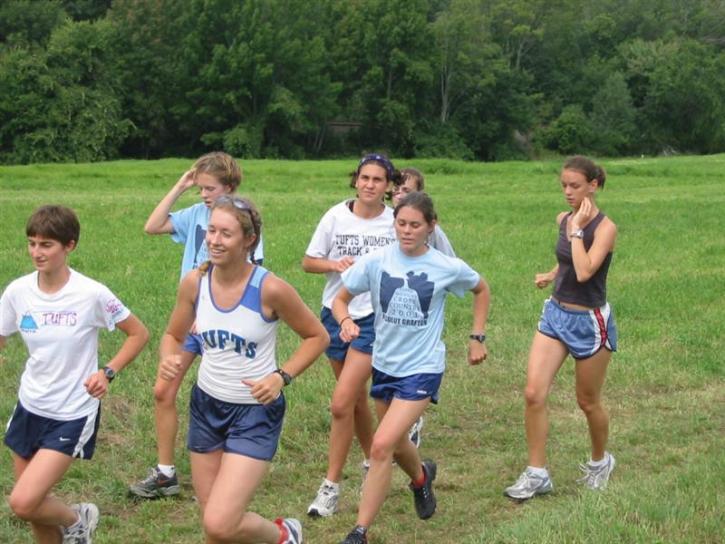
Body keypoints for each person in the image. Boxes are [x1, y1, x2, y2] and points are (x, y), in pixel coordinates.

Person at [158, 196, 328, 544]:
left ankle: (283, 535)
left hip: (254, 413)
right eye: (211, 231)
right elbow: (173, 334)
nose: (214, 240)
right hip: (206, 405)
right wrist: (167, 357)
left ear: (248, 240)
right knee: (215, 529)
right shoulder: (195, 282)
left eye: (226, 234)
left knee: (221, 523)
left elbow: (317, 336)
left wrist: (281, 377)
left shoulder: (270, 288)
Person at [333, 192, 490, 544]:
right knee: (398, 440)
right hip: (385, 364)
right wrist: (345, 321)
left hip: (423, 367)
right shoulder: (377, 261)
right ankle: (421, 478)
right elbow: (340, 298)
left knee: (380, 445)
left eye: (415, 225)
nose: (406, 231)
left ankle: (360, 532)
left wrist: (477, 336)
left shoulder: (445, 266)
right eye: (401, 224)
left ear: (430, 227)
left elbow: (481, 289)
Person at [1, 205, 149, 543]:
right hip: (29, 406)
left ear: (70, 246)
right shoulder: (18, 292)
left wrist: (108, 372)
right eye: (32, 243)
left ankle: (76, 518)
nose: (37, 252)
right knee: (36, 512)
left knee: (24, 502)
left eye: (46, 245)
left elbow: (138, 333)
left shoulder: (91, 293)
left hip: (71, 412)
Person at [130, 152, 263, 499]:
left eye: (210, 188)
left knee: (227, 396)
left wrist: (209, 318)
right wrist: (179, 186)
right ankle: (165, 472)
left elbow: (249, 281)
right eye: (199, 187)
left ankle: (235, 461)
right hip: (190, 324)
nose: (203, 194)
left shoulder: (244, 226)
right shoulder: (194, 216)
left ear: (230, 187)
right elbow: (152, 225)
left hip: (225, 328)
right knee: (163, 390)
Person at [504, 155, 618, 501]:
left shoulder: (604, 227)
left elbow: (585, 271)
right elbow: (568, 260)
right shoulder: (564, 219)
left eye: (575, 185)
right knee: (533, 393)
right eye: (564, 185)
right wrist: (553, 273)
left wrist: (578, 230)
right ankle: (537, 473)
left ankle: (600, 461)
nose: (568, 192)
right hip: (555, 315)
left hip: (589, 322)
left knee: (587, 401)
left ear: (593, 185)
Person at [303, 154, 399, 517]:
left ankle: (330, 487)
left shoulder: (395, 222)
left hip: (373, 319)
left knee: (341, 402)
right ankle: (375, 460)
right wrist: (334, 264)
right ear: (355, 180)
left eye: (378, 179)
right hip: (334, 312)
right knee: (356, 399)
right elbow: (309, 261)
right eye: (365, 178)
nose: (370, 185)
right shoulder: (335, 216)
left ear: (388, 185)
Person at [392, 168, 456, 258]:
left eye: (406, 191)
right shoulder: (382, 221)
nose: (400, 195)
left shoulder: (432, 230)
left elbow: (449, 260)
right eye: (396, 190)